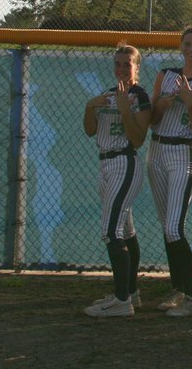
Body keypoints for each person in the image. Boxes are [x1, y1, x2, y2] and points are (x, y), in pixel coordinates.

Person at [148, 24, 192, 317]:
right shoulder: (166, 75)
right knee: (167, 225)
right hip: (157, 149)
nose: (191, 49)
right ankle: (178, 288)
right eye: (187, 44)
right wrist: (162, 104)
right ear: (180, 46)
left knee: (175, 226)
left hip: (183, 151)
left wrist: (191, 105)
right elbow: (151, 119)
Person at [82, 42, 152, 318]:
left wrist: (125, 109)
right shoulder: (106, 94)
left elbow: (137, 138)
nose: (122, 69)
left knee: (111, 232)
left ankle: (122, 300)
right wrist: (90, 105)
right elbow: (90, 130)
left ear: (137, 67)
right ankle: (131, 291)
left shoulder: (140, 96)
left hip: (125, 161)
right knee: (125, 230)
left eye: (128, 64)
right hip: (106, 163)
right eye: (118, 63)